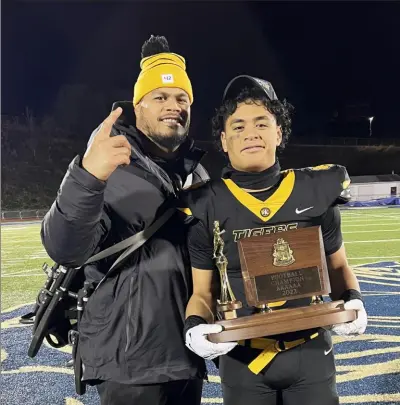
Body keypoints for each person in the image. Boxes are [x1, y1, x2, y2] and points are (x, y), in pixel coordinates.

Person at [40, 35, 209, 405]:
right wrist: (87, 175)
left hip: (187, 353)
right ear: (138, 107)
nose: (173, 106)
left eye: (182, 98)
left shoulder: (197, 174)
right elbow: (64, 247)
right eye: (160, 97)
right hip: (128, 359)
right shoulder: (108, 162)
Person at [181, 75, 368, 405]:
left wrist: (352, 299)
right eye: (238, 126)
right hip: (243, 360)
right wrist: (195, 325)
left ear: (278, 132)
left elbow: (339, 266)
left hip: (311, 350)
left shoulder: (317, 188)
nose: (250, 133)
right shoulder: (206, 204)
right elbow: (202, 292)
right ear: (223, 141)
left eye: (261, 123)